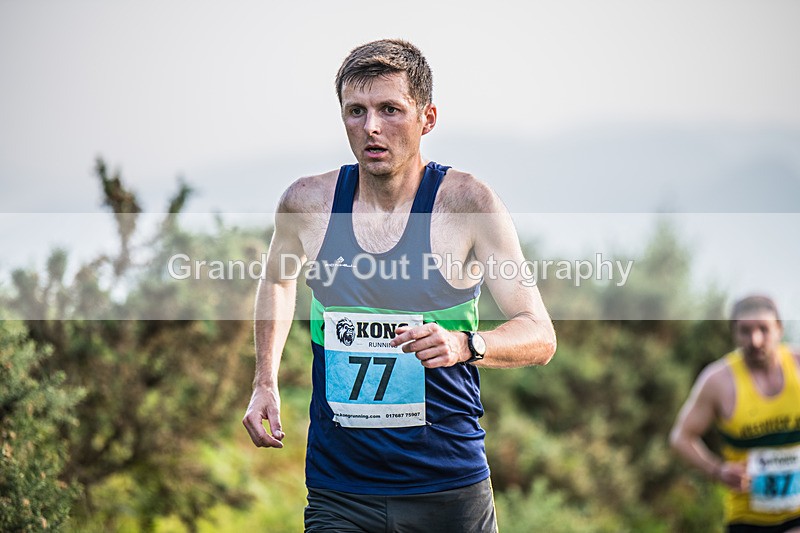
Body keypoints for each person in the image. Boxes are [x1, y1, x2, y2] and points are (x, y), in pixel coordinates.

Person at [242, 38, 556, 533]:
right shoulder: (307, 203)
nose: (371, 126)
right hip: (339, 490)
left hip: (448, 488)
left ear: (427, 118)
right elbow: (278, 280)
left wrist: (465, 344)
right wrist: (265, 380)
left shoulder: (467, 204)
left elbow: (539, 333)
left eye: (390, 110)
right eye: (356, 111)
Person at [670, 295, 800, 532]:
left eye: (763, 329)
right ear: (734, 333)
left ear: (779, 329)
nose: (755, 340)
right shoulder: (718, 381)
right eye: (745, 331)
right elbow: (681, 437)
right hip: (747, 518)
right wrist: (717, 470)